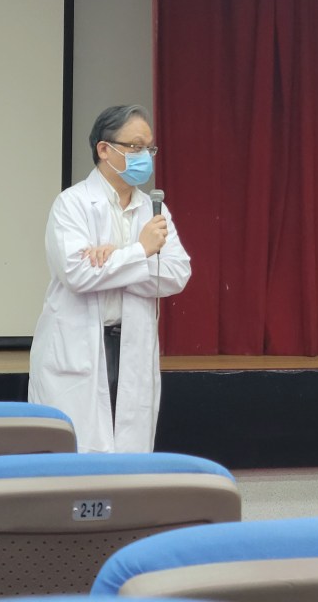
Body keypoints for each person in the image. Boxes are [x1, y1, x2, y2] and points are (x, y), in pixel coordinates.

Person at [29, 105, 191, 453]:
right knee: (77, 453)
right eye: (135, 147)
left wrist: (117, 257)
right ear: (104, 149)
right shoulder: (72, 204)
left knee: (129, 458)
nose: (145, 157)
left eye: (149, 148)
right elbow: (77, 274)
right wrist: (140, 251)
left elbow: (177, 274)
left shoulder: (154, 209)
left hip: (132, 343)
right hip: (80, 345)